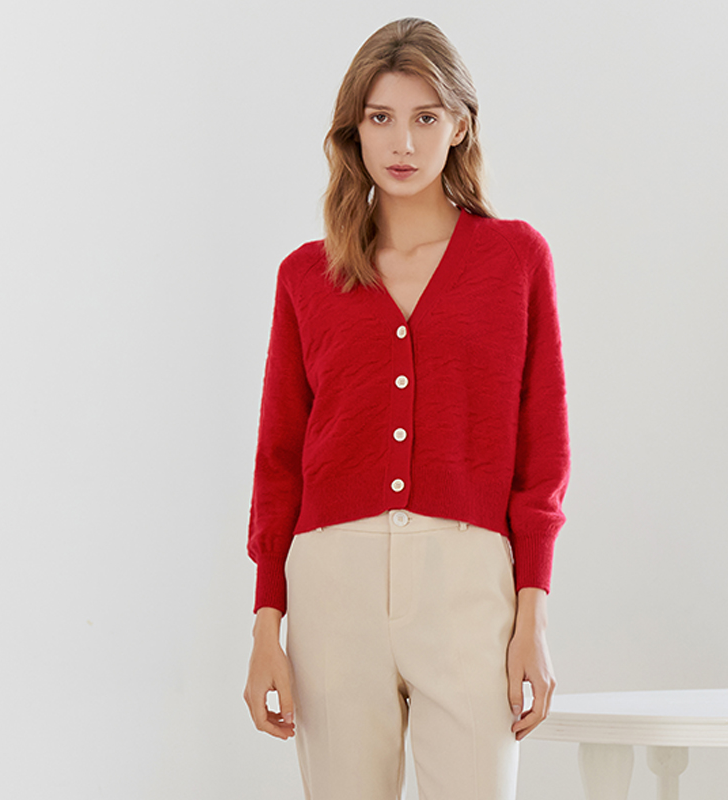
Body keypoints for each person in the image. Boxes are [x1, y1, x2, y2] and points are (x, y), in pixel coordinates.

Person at [243, 17, 570, 800]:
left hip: (468, 582)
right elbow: (279, 459)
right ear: (353, 132)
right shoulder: (306, 277)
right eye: (381, 117)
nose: (403, 142)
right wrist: (266, 627)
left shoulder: (515, 259)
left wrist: (533, 617)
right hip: (332, 584)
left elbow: (544, 450)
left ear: (460, 125)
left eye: (426, 117)